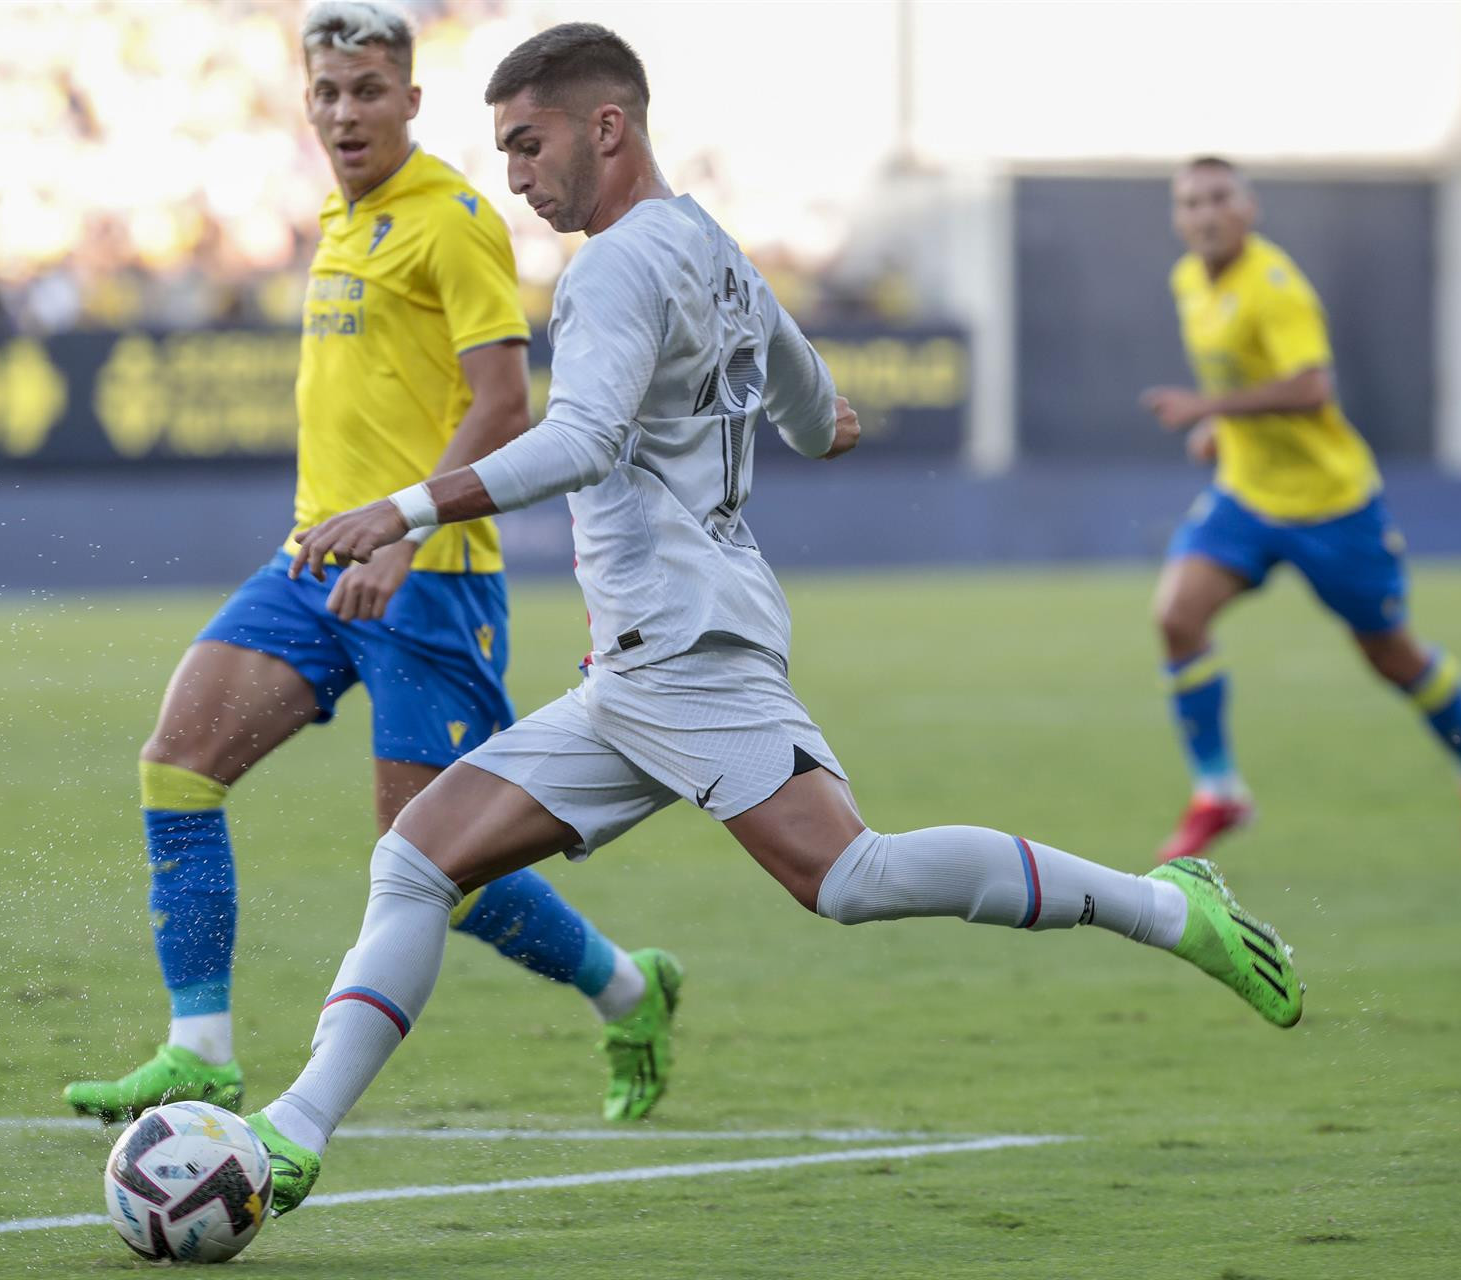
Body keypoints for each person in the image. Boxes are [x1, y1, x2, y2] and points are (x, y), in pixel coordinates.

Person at [238, 23, 1305, 1216]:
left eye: (529, 146)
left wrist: (400, 509)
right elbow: (814, 414)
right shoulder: (718, 253)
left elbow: (583, 439)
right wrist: (813, 422)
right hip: (639, 668)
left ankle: (1169, 905)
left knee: (850, 874)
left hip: (688, 650)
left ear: (608, 127)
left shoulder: (611, 267)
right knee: (417, 857)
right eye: (503, 152)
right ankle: (294, 1130)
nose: (517, 177)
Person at [63, 1, 681, 1129]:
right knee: (178, 760)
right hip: (312, 560)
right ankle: (198, 1048)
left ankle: (630, 985)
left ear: (410, 98)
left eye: (367, 89)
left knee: (434, 863)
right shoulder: (340, 220)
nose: (345, 111)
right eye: (327, 92)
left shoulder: (451, 218)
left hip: (431, 576)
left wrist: (404, 530)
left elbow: (504, 403)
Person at [1140, 158, 1461, 864]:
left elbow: (1311, 388)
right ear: (1178, 217)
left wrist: (1209, 408)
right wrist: (1223, 430)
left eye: (1219, 198)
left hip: (1331, 506)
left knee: (1390, 655)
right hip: (1246, 494)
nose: (1205, 213)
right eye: (1190, 202)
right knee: (1176, 616)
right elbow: (1248, 376)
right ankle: (1219, 791)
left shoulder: (1275, 287)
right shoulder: (1189, 281)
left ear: (1249, 207)